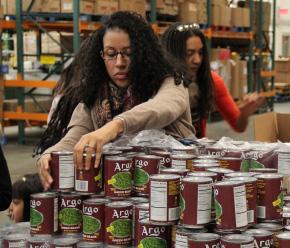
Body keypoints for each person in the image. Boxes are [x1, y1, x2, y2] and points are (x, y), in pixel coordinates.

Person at [36, 12, 194, 190]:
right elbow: (75, 138)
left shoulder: (170, 81)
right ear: (101, 55)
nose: (119, 62)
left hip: (174, 187)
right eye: (111, 54)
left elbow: (164, 108)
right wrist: (50, 154)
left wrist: (115, 126)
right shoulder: (94, 94)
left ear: (144, 53)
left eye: (128, 53)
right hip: (119, 191)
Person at [161, 23, 265, 138]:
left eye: (200, 53)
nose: (197, 60)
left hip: (196, 151)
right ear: (172, 54)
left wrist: (245, 113)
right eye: (189, 53)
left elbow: (238, 125)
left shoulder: (211, 81)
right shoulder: (158, 82)